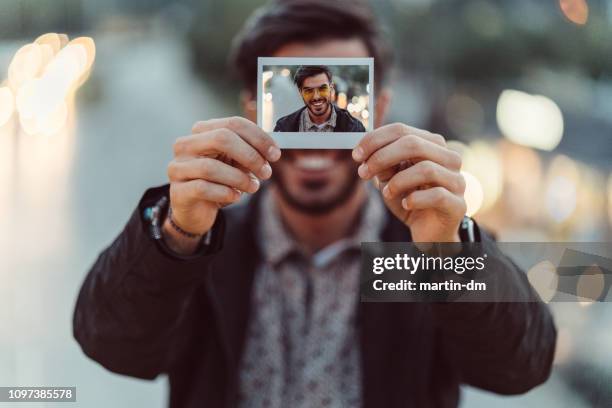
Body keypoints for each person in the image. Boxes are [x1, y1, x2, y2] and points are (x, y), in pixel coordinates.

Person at [73, 1, 557, 407]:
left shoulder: (420, 252)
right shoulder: (208, 247)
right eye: (301, 91)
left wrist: (445, 256)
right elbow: (113, 346)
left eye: (331, 90)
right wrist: (176, 236)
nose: (314, 147)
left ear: (378, 111)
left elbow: (521, 367)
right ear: (254, 110)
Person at [273, 65, 366, 132]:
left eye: (322, 89)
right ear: (300, 92)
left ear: (331, 88)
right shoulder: (283, 128)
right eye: (309, 91)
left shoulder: (355, 128)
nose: (316, 97)